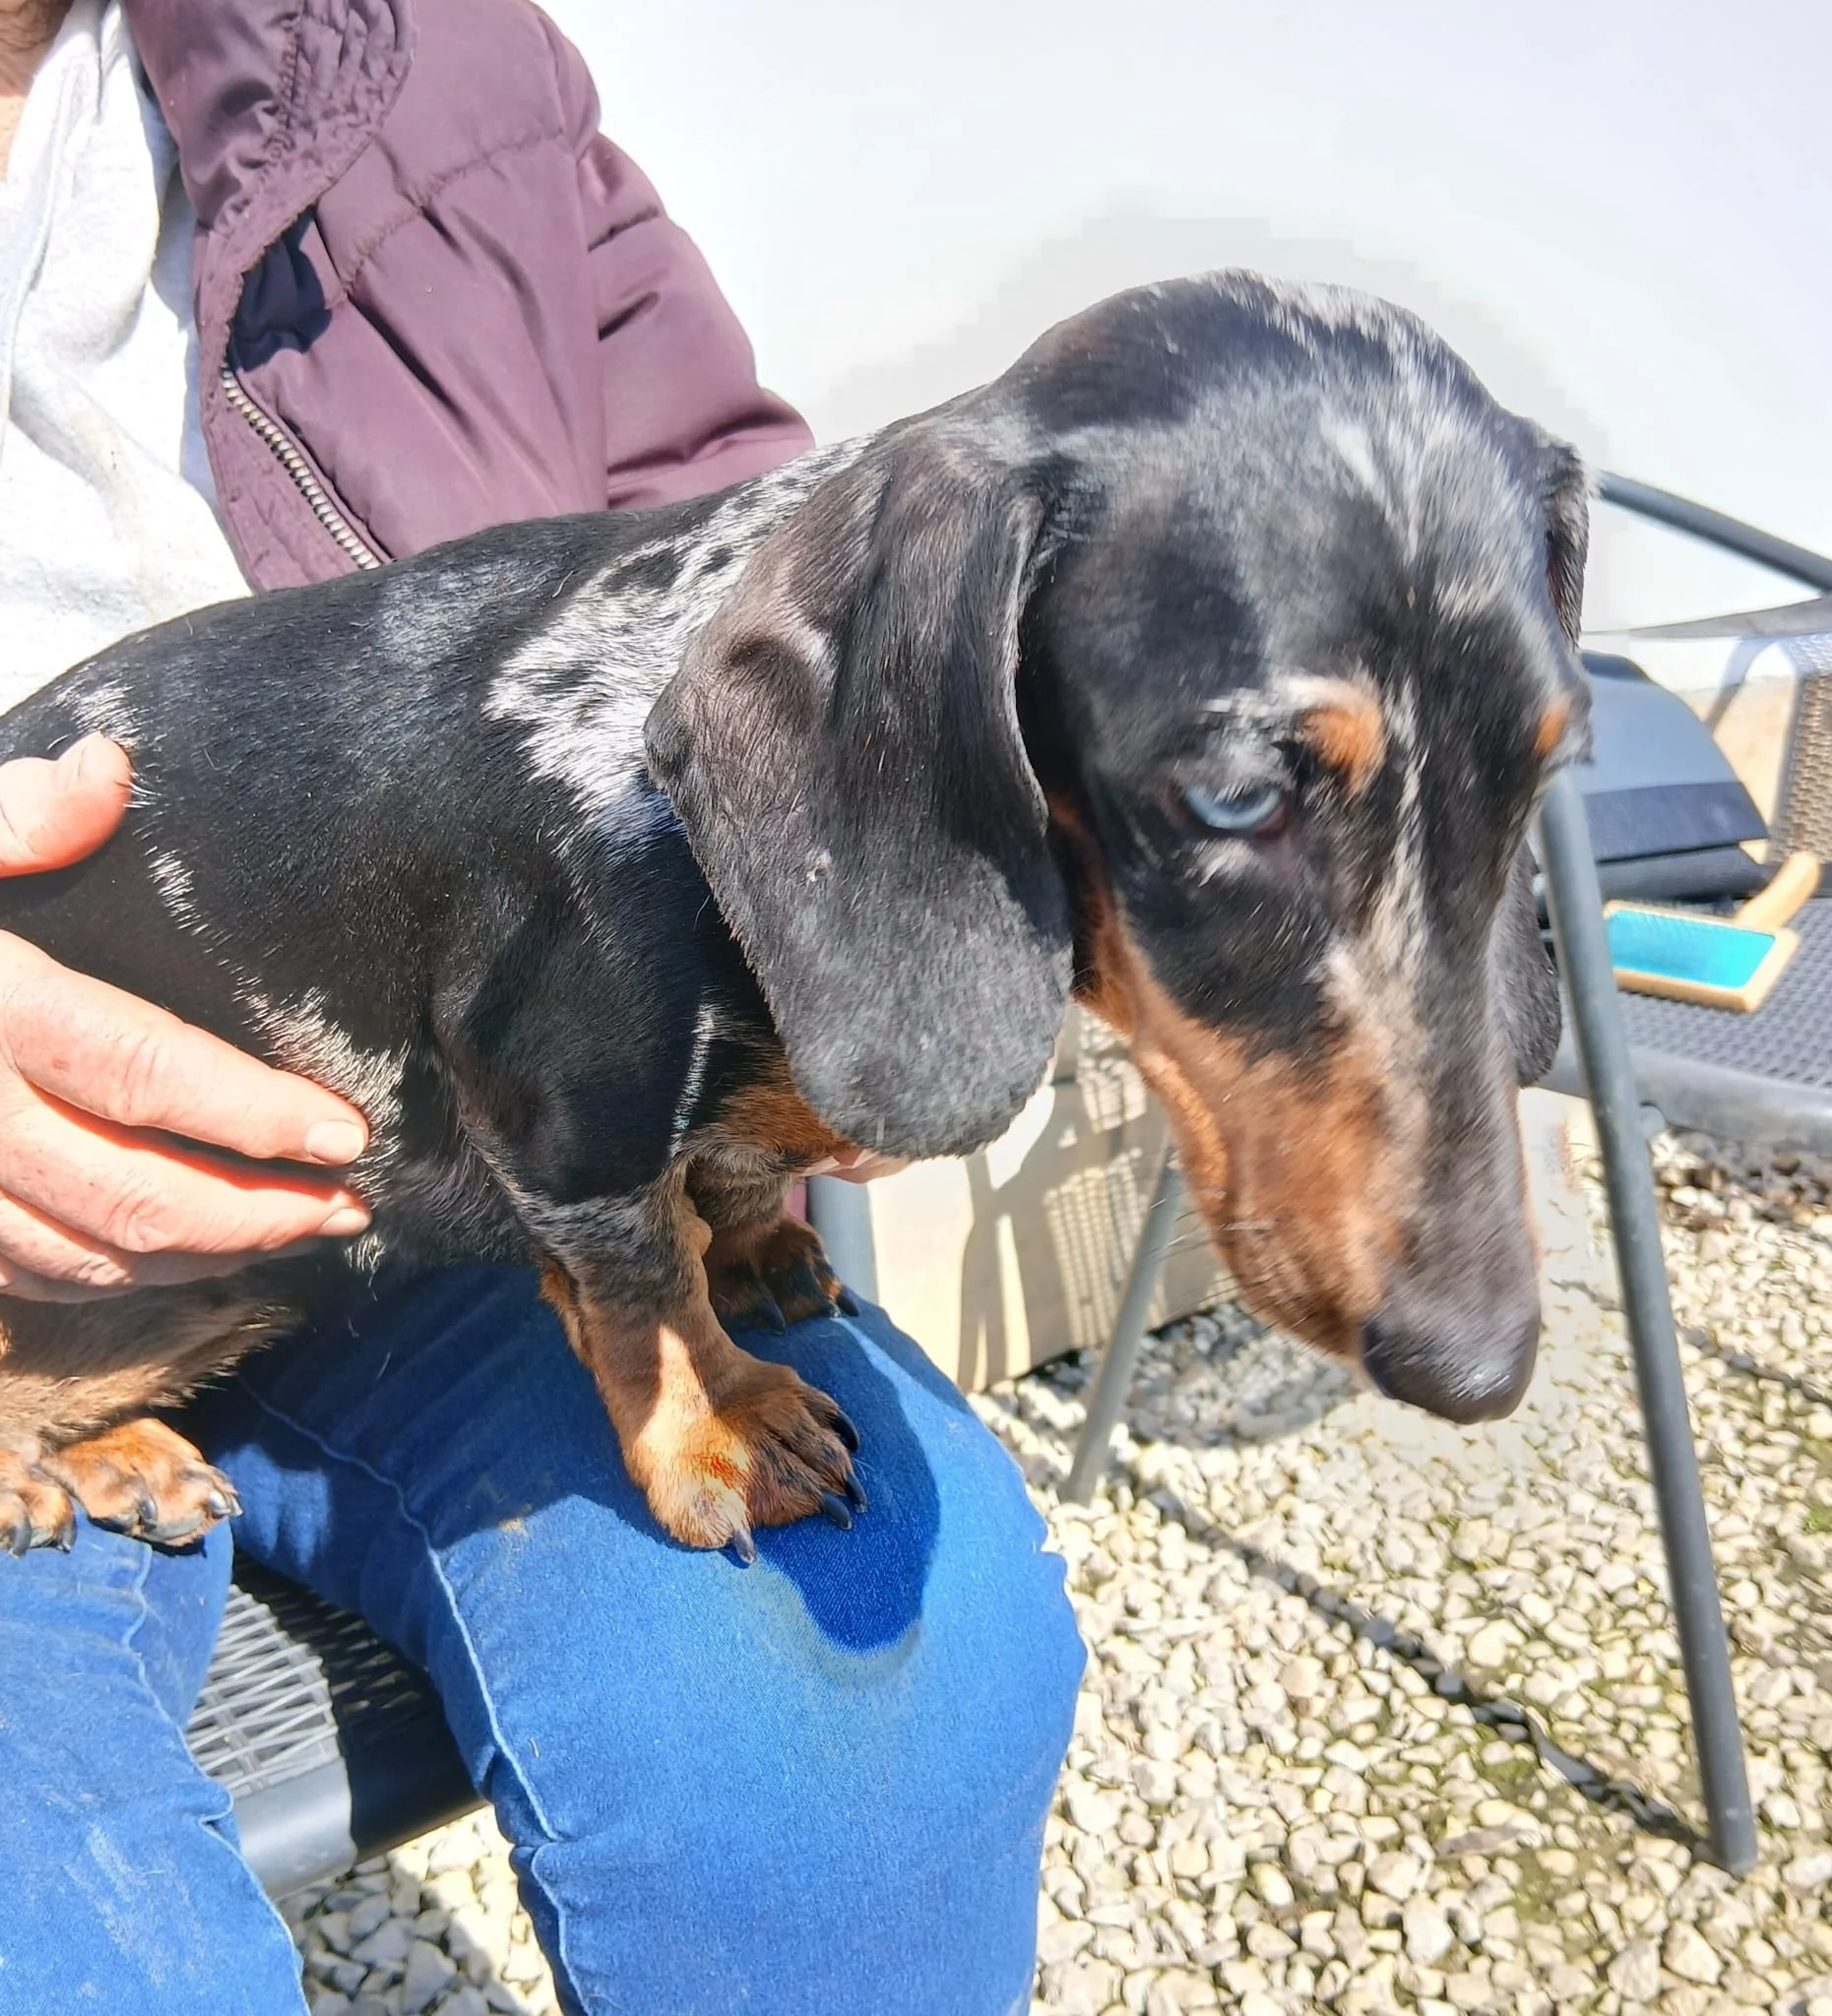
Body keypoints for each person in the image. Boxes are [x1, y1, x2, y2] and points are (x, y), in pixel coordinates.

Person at [0, 3, 1083, 2012]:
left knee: (880, 1704)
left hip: (463, 1160)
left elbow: (748, 542)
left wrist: (880, 901)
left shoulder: (410, 54)